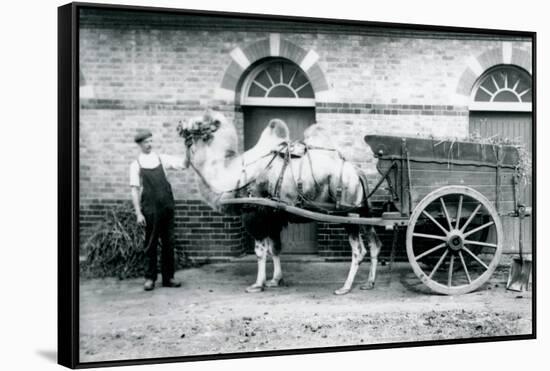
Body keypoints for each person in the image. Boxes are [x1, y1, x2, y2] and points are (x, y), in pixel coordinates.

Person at [129, 129, 185, 291]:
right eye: (146, 142)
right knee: (151, 243)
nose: (149, 144)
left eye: (151, 141)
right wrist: (138, 213)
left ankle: (169, 278)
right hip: (150, 209)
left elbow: (183, 164)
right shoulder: (136, 164)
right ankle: (150, 278)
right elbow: (134, 189)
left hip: (167, 207)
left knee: (169, 243)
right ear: (140, 144)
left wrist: (189, 152)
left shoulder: (161, 159)